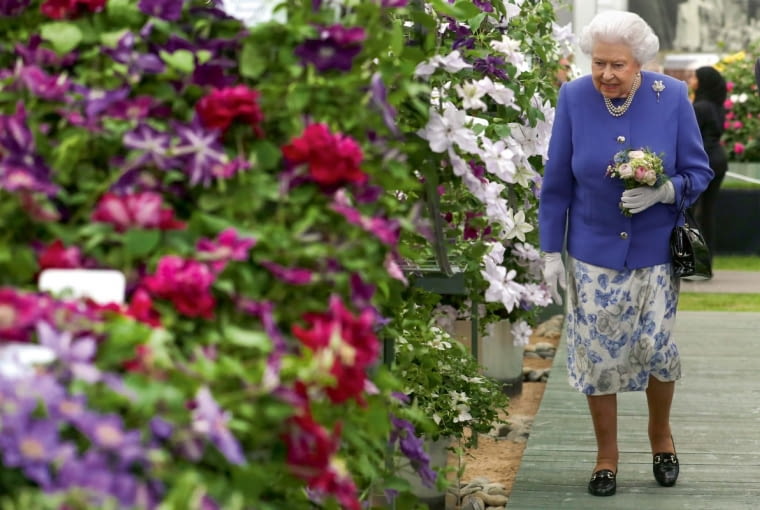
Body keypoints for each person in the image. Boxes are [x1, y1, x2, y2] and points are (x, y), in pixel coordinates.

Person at [538, 10, 713, 497]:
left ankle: (661, 438)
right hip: (591, 253)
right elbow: (556, 185)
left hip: (655, 252)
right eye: (598, 64)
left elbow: (699, 173)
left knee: (656, 348)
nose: (606, 75)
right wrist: (552, 252)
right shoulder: (573, 97)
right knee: (598, 358)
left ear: (640, 64)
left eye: (617, 65)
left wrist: (664, 192)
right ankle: (606, 456)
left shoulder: (671, 96)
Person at [688, 66, 728, 263]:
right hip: (718, 159)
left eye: (695, 76)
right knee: (708, 212)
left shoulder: (699, 107)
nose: (691, 79)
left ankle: (695, 261)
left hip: (703, 162)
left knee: (690, 212)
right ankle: (706, 261)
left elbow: (690, 136)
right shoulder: (717, 106)